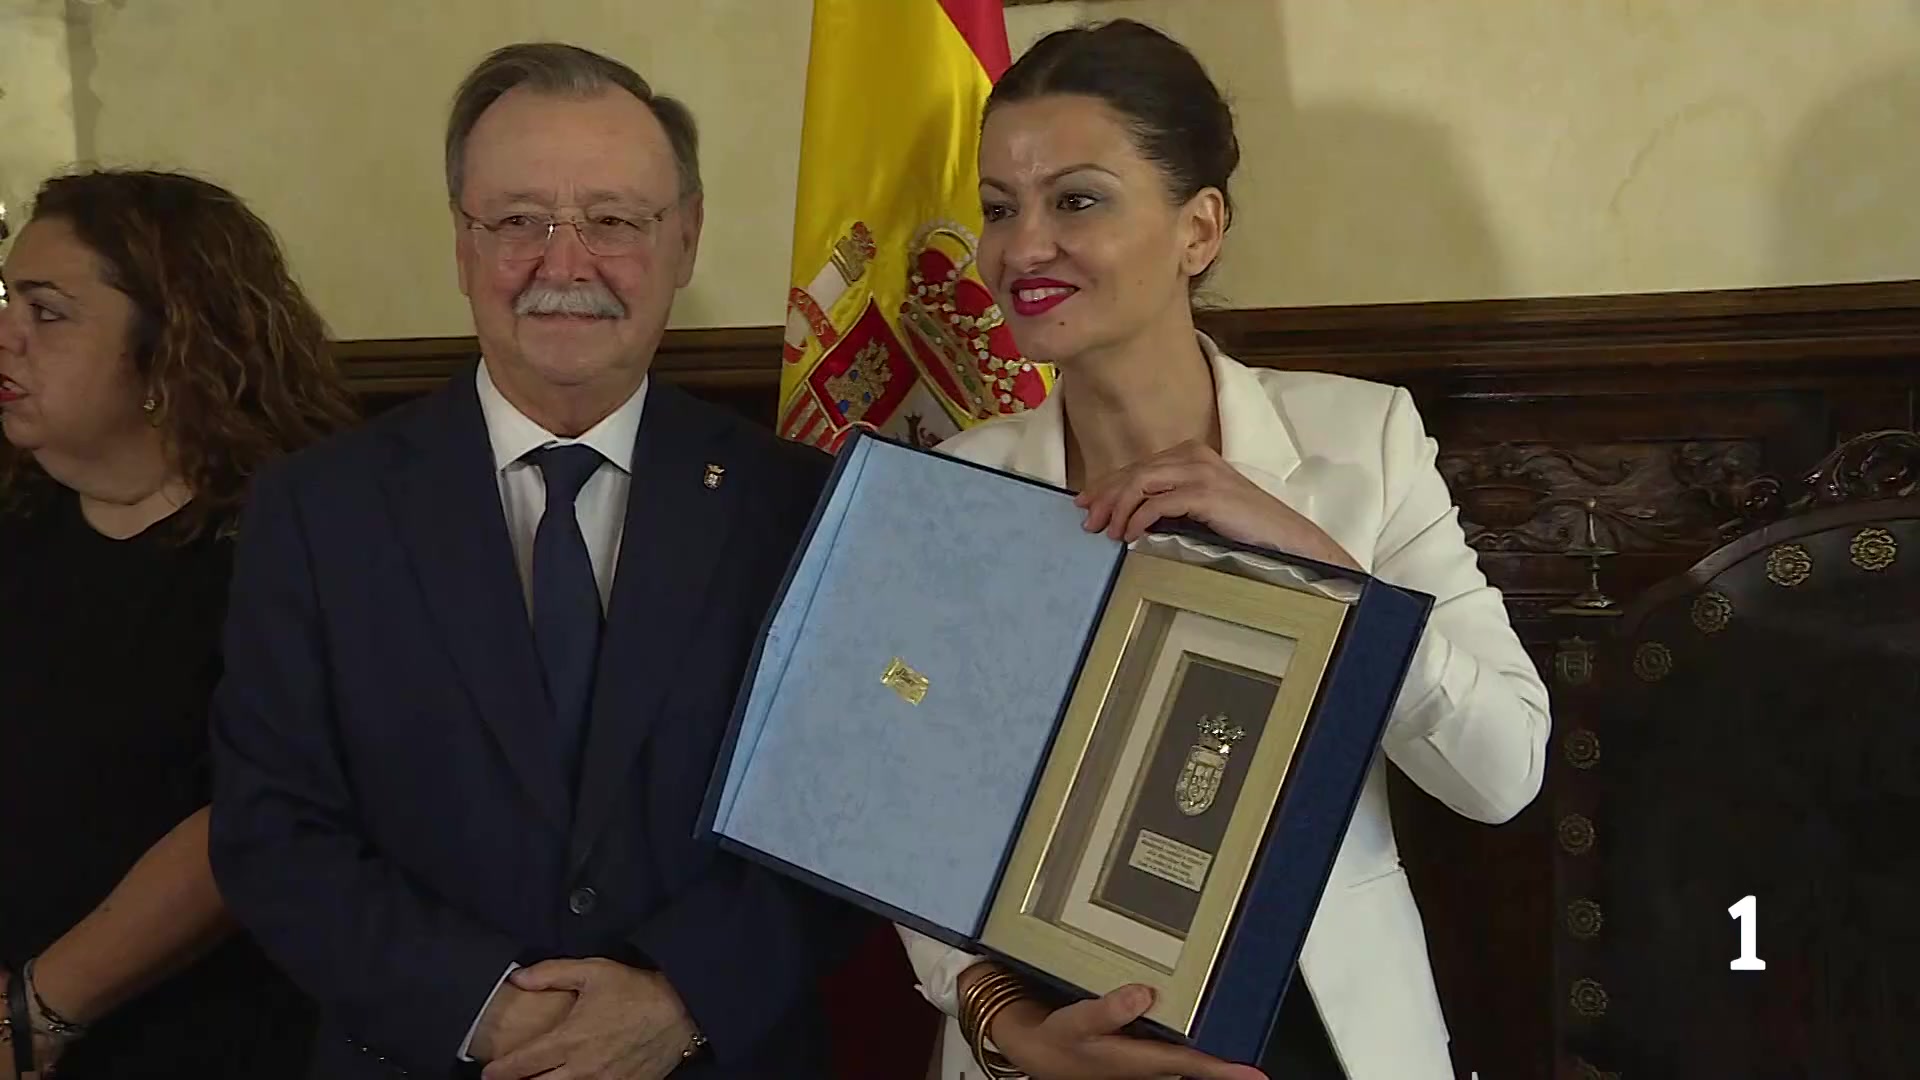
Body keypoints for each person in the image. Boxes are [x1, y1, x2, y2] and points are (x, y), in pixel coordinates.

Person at [898, 20, 1551, 1080]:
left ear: (1198, 229)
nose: (1022, 249)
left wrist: (1326, 572)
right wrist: (1000, 1022)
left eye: (1077, 201)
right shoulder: (952, 492)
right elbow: (907, 817)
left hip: (1322, 1039)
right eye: (1000, 207)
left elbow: (1503, 773)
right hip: (1053, 1047)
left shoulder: (1365, 444)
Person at [206, 42, 866, 1080]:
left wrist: (680, 998)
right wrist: (484, 1012)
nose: (564, 265)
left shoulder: (802, 506)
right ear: (462, 244)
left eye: (614, 221)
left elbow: (845, 812)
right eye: (519, 221)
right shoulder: (318, 511)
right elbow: (271, 830)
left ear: (685, 239)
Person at [0, 168, 358, 1078]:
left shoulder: (294, 541)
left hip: (205, 1033)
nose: (6, 336)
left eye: (46, 313)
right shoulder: (19, 522)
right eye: (6, 301)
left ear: (170, 346)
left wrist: (36, 1011)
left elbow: (250, 817)